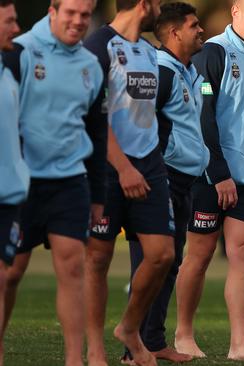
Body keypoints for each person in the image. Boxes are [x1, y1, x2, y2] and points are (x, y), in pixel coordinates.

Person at [1, 1, 105, 365]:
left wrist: (98, 194)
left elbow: (95, 129)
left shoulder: (90, 66)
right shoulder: (21, 51)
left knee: (73, 269)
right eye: (70, 13)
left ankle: (74, 360)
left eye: (85, 14)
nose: (78, 21)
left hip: (70, 182)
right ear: (52, 11)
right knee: (9, 274)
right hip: (23, 182)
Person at [173, 0, 244, 361]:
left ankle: (240, 345)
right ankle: (183, 334)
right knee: (198, 255)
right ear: (236, 12)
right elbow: (203, 117)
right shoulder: (213, 53)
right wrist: (219, 174)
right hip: (209, 175)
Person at [82, 1, 173, 365]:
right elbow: (92, 117)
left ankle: (129, 328)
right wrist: (122, 168)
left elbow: (152, 112)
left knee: (162, 255)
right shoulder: (97, 47)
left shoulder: (151, 52)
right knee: (98, 258)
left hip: (149, 167)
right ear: (143, 5)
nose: (161, 13)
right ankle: (95, 349)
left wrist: (149, 160)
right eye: (159, 6)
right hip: (107, 169)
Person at [122, 2, 208, 364]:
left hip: (185, 181)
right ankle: (132, 350)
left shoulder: (189, 72)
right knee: (150, 262)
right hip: (162, 179)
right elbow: (140, 125)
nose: (201, 30)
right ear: (175, 32)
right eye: (194, 25)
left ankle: (153, 341)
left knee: (169, 263)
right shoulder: (161, 72)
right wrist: (145, 172)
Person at [0, 1, 29, 364]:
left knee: (4, 275)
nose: (17, 28)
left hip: (9, 193)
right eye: (9, 21)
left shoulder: (8, 68)